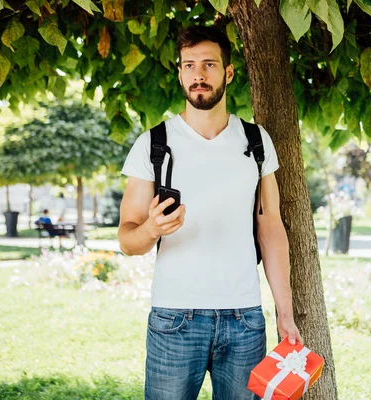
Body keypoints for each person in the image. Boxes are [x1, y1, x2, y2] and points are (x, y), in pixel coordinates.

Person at [117, 26, 301, 400]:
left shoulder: (256, 141)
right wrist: (151, 228)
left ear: (228, 73)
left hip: (244, 319)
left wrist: (285, 312)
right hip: (174, 319)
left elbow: (271, 228)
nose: (198, 74)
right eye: (189, 65)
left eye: (209, 64)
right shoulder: (154, 144)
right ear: (180, 72)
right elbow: (126, 240)